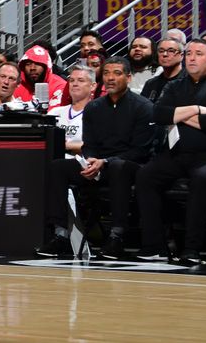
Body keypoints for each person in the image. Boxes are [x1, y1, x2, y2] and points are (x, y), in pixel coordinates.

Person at [36, 57, 154, 259]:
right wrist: (90, 160)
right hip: (98, 164)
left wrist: (105, 162)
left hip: (131, 166)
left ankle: (116, 236)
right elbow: (89, 145)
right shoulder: (94, 107)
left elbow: (140, 150)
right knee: (57, 167)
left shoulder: (143, 106)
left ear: (128, 77)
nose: (110, 78)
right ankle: (61, 235)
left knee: (118, 166)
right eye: (106, 73)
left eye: (116, 73)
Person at [136, 40, 206, 264]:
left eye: (198, 54)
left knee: (201, 177)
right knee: (145, 175)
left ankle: (192, 249)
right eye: (188, 53)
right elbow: (158, 114)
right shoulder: (174, 86)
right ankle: (155, 245)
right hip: (178, 152)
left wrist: (178, 115)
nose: (191, 58)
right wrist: (197, 110)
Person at [47, 66, 97, 157]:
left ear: (93, 86)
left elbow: (98, 146)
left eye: (81, 80)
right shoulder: (54, 113)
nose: (75, 84)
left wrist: (65, 145)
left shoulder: (98, 114)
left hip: (82, 165)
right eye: (72, 80)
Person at [13, 45, 67, 110]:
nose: (32, 68)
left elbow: (56, 115)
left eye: (37, 63)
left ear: (46, 66)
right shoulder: (17, 85)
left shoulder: (59, 86)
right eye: (28, 64)